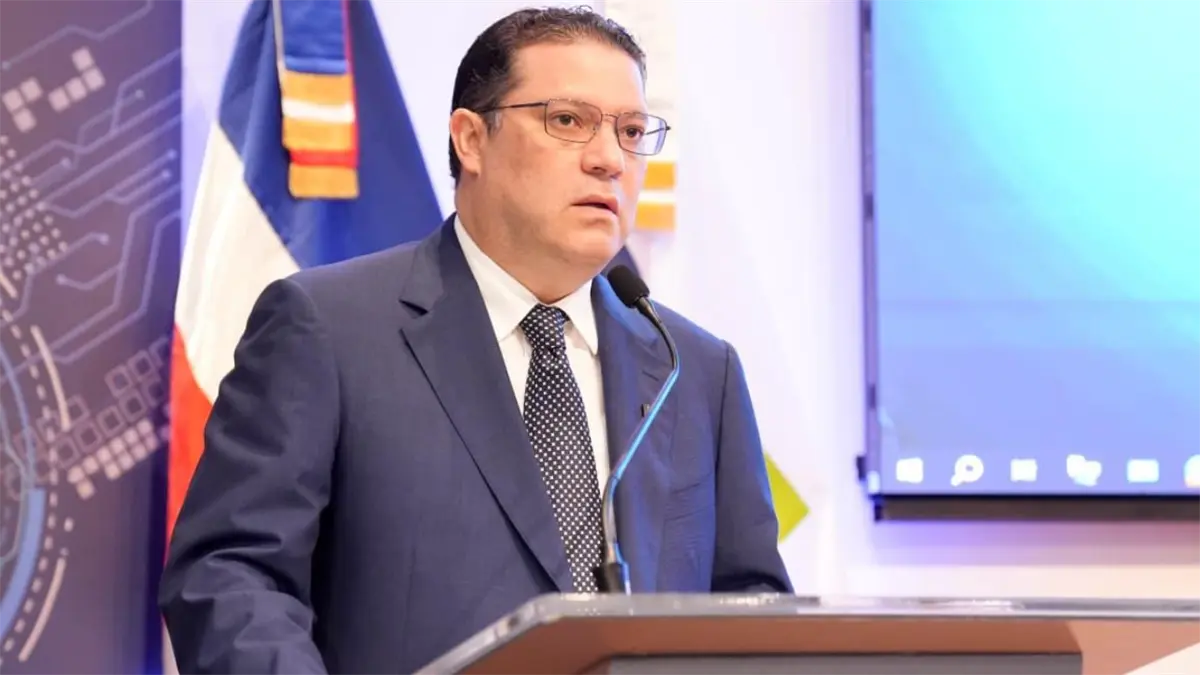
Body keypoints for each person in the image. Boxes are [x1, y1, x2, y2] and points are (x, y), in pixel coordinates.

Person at [158, 6, 792, 675]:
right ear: (470, 139)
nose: (609, 159)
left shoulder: (694, 368)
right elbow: (230, 575)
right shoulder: (328, 328)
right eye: (568, 121)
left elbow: (750, 603)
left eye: (631, 131)